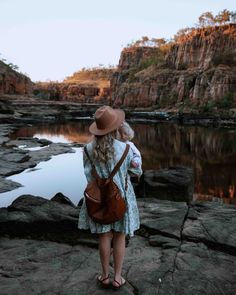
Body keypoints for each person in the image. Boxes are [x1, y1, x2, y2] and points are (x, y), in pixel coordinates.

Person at [78, 105, 142, 290]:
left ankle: (105, 276)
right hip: (121, 198)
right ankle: (117, 278)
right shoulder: (125, 148)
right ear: (115, 127)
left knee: (104, 236)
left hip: (99, 200)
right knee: (120, 237)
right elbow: (136, 171)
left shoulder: (87, 149)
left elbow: (89, 176)